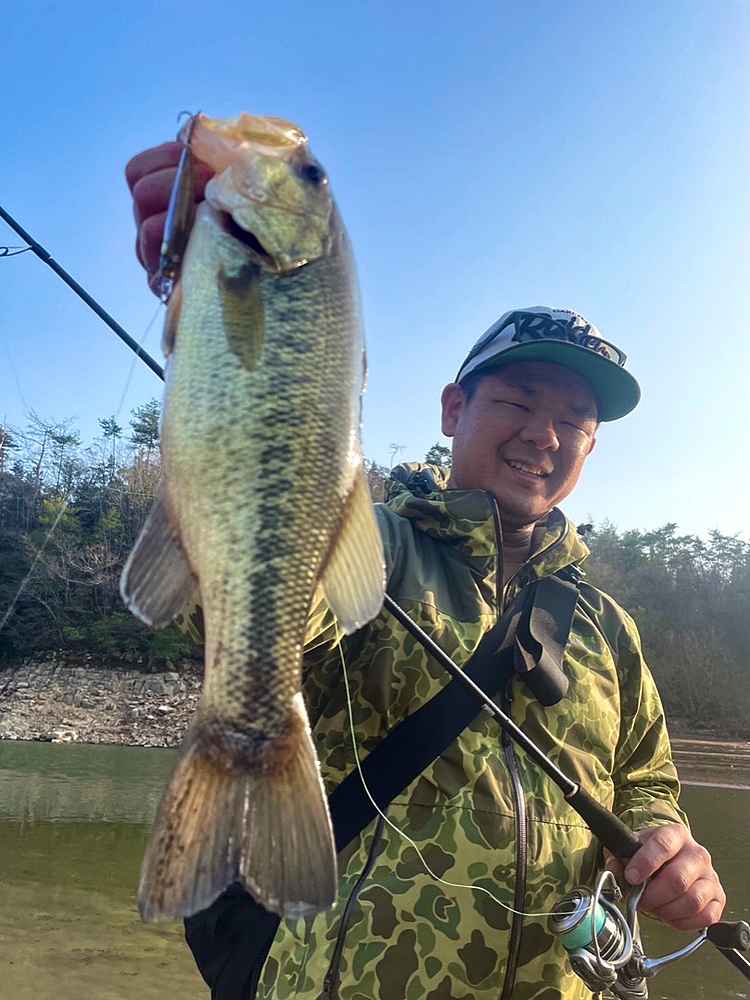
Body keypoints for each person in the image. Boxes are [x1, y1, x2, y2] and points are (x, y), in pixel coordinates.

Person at [126, 143, 726, 1000]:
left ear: (592, 446)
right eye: (517, 400)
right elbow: (241, 596)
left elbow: (646, 776)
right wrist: (222, 307)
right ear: (453, 409)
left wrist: (670, 845)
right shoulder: (371, 544)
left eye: (575, 420)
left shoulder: (608, 628)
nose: (544, 435)